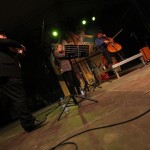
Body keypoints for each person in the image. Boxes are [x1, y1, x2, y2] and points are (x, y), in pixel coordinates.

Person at [0, 29, 46, 132]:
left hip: (5, 75)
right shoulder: (4, 42)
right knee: (19, 99)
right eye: (2, 36)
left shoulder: (4, 51)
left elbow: (12, 59)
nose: (4, 38)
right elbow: (8, 42)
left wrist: (18, 54)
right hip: (8, 74)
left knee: (17, 100)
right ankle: (29, 123)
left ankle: (27, 123)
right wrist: (19, 45)